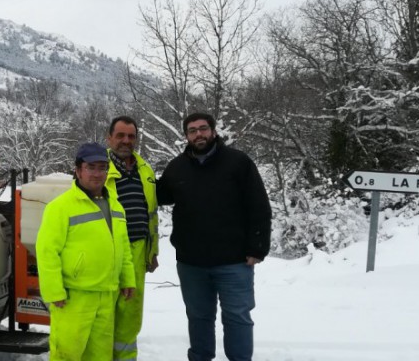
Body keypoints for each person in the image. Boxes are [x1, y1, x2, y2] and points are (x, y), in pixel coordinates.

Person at [156, 112, 272, 361]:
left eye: (203, 128)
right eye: (192, 130)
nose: (199, 134)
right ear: (186, 135)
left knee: (237, 316)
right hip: (191, 262)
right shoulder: (177, 167)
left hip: (234, 260)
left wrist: (258, 247)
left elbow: (258, 205)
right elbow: (157, 195)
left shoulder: (238, 162)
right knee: (198, 316)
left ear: (213, 131)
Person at [36, 142, 136, 361]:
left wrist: (127, 279)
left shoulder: (116, 205)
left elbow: (123, 246)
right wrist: (54, 292)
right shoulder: (60, 207)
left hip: (107, 294)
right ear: (78, 170)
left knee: (100, 355)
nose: (97, 173)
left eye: (102, 167)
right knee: (67, 354)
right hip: (74, 297)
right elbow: (46, 251)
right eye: (91, 167)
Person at [105, 116, 160, 361]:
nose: (126, 141)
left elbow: (151, 213)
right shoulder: (98, 168)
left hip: (137, 252)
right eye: (121, 136)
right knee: (104, 314)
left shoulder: (144, 169)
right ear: (109, 138)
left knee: (130, 314)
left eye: (131, 136)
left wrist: (152, 251)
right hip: (107, 253)